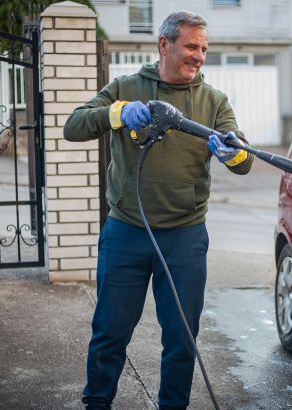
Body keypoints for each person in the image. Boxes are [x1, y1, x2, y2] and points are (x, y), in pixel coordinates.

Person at [63, 11, 254, 410]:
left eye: (203, 48)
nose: (199, 55)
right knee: (109, 332)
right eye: (191, 45)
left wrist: (233, 153)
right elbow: (74, 126)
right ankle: (96, 402)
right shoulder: (127, 86)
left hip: (184, 238)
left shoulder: (213, 101)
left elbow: (245, 161)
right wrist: (116, 113)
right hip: (126, 233)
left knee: (182, 338)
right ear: (164, 44)